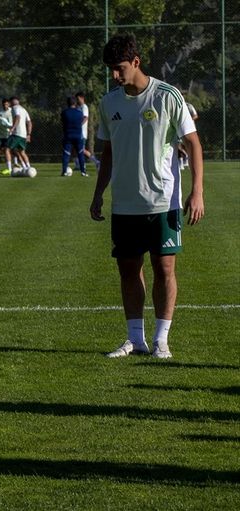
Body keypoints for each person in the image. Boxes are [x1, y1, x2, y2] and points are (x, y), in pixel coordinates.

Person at [89, 34, 204, 359]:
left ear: (136, 62)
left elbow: (193, 143)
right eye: (111, 69)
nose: (115, 75)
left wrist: (196, 191)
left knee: (164, 268)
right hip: (125, 203)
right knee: (128, 269)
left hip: (163, 201)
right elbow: (108, 152)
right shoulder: (109, 103)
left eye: (120, 68)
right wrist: (98, 193)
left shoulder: (167, 96)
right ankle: (135, 339)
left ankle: (161, 340)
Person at [60, 96, 87, 176]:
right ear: (75, 103)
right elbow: (81, 121)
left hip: (68, 135)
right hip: (78, 136)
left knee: (66, 153)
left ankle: (64, 171)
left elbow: (62, 122)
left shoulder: (64, 112)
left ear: (67, 103)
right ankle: (83, 172)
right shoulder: (79, 113)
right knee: (80, 153)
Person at [75, 91, 101, 171]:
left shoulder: (84, 107)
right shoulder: (78, 107)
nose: (77, 100)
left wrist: (78, 125)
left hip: (82, 133)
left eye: (78, 98)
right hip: (77, 132)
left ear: (82, 98)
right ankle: (79, 165)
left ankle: (96, 162)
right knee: (77, 149)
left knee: (82, 149)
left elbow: (85, 118)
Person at [8, 97, 33, 173]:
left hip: (17, 133)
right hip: (23, 135)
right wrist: (28, 134)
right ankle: (29, 168)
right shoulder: (24, 110)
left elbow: (17, 117)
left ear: (11, 102)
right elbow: (29, 122)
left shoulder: (15, 108)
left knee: (7, 149)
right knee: (22, 152)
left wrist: (13, 128)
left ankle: (10, 168)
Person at [177, 100, 199, 169]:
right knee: (178, 145)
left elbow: (195, 116)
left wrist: (186, 120)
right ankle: (181, 163)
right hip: (178, 128)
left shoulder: (189, 106)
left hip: (189, 129)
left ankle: (187, 159)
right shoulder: (177, 105)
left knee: (188, 146)